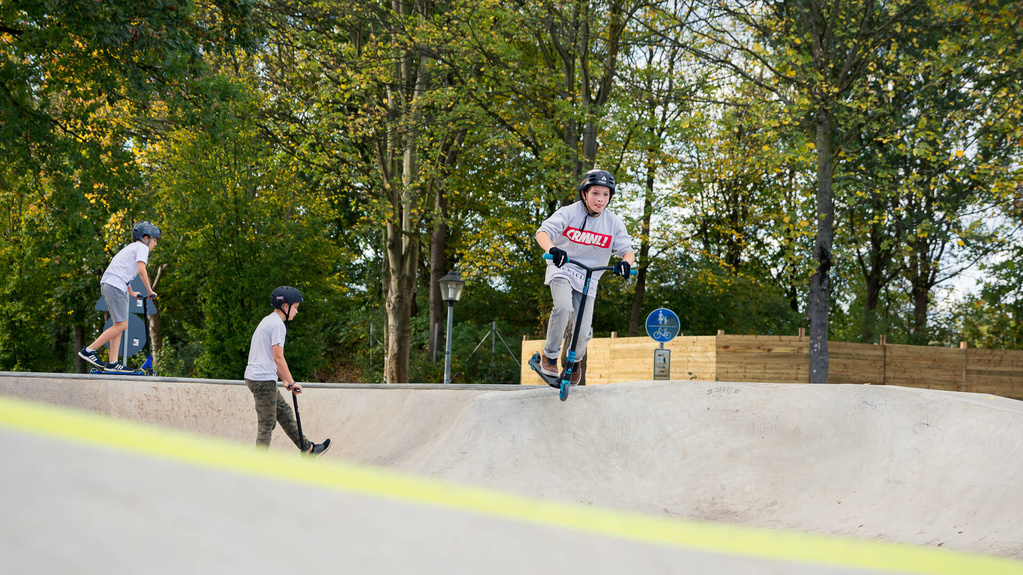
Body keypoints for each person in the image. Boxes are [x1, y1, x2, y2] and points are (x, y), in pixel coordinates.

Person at [535, 169, 636, 385]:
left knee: (583, 330)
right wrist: (553, 249)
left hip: (589, 277)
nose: (600, 199)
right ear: (584, 194)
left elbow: (628, 251)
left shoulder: (613, 223)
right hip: (563, 267)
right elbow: (542, 233)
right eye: (595, 193)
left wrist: (625, 264)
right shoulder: (569, 212)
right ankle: (550, 356)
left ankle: (574, 362)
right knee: (563, 308)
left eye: (605, 195)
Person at [243, 286, 330, 457]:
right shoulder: (277, 325)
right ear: (285, 306)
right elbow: (278, 357)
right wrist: (291, 382)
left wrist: (283, 379)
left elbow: (268, 356)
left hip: (261, 377)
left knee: (284, 413)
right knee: (267, 423)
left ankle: (308, 449)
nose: (296, 311)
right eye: (295, 307)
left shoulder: (268, 320)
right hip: (262, 380)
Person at [78, 221, 161, 373]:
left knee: (119, 325)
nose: (155, 244)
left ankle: (113, 362)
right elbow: (142, 270)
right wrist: (150, 291)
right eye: (155, 240)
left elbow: (123, 271)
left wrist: (131, 292)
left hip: (114, 284)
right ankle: (89, 350)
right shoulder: (142, 248)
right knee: (122, 325)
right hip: (115, 286)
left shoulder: (131, 247)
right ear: (146, 238)